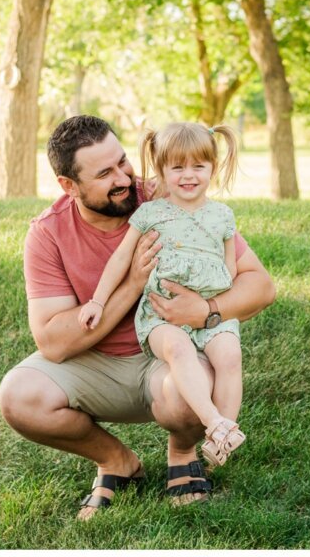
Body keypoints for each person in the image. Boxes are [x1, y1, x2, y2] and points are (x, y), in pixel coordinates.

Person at [0, 115, 275, 521]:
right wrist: (132, 284)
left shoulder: (167, 198)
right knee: (19, 396)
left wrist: (207, 311)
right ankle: (116, 461)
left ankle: (182, 451)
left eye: (123, 162)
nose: (125, 178)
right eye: (105, 173)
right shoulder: (48, 232)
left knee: (190, 389)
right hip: (94, 364)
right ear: (69, 186)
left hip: (166, 355)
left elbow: (260, 286)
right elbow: (53, 342)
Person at [78, 122, 246, 468]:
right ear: (161, 171)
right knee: (179, 349)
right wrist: (98, 300)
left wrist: (211, 308)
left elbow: (229, 269)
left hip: (206, 313)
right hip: (161, 315)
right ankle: (213, 422)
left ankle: (225, 434)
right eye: (177, 167)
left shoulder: (222, 216)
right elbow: (121, 258)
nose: (189, 175)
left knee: (229, 356)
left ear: (213, 168)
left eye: (198, 166)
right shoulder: (151, 213)